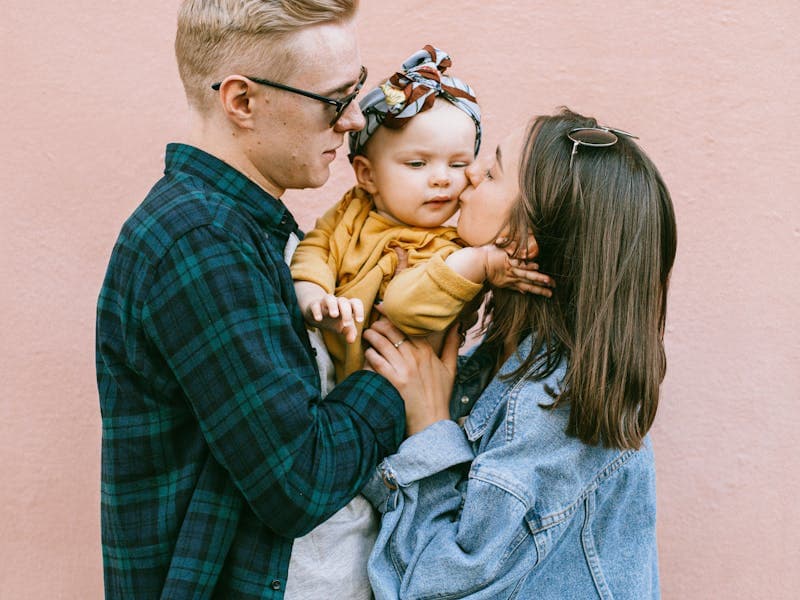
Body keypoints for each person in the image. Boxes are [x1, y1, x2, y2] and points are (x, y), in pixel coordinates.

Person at [95, 2, 434, 597]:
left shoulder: (259, 233)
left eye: (357, 90)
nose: (354, 119)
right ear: (242, 101)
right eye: (334, 100)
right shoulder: (200, 244)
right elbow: (297, 482)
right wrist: (397, 372)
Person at [360, 108, 678, 599]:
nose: (467, 175)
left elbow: (440, 587)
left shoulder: (555, 407)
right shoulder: (494, 362)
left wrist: (428, 427)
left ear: (524, 240)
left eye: (490, 173)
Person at [290, 45, 551, 383]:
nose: (443, 178)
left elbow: (404, 308)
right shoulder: (349, 211)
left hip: (391, 403)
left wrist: (481, 262)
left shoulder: (453, 254)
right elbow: (314, 251)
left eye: (458, 164)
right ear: (367, 175)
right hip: (323, 378)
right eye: (417, 163)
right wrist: (314, 298)